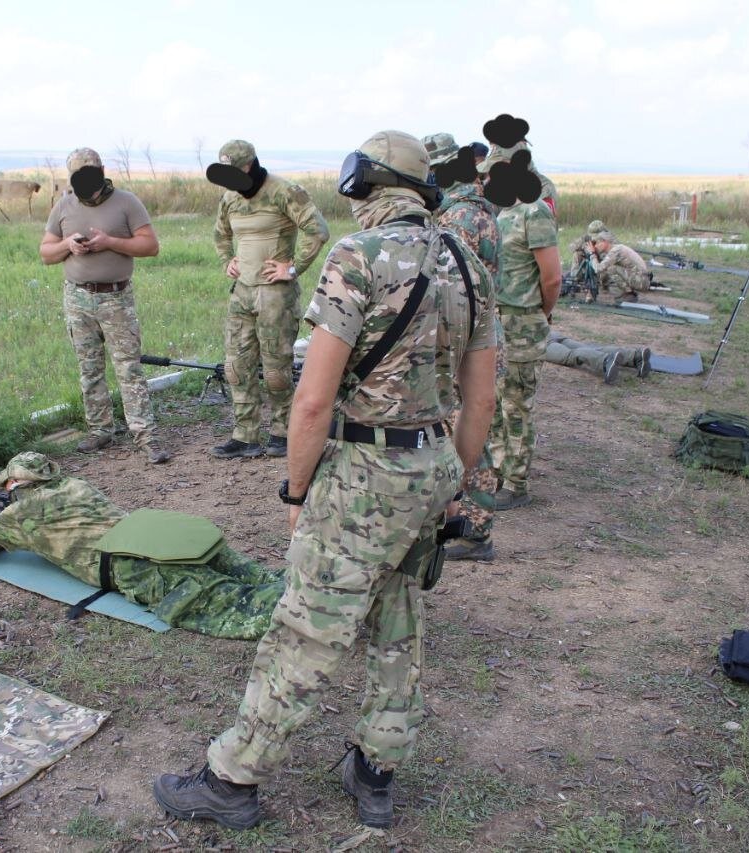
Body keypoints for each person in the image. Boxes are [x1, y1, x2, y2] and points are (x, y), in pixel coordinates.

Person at [152, 130, 497, 830]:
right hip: (431, 463)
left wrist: (297, 489)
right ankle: (375, 769)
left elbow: (312, 399)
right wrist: (454, 480)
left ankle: (232, 777)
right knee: (399, 617)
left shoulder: (357, 256)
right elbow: (481, 398)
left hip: (366, 471)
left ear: (365, 187)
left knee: (306, 626)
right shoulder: (468, 264)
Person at [0, 452, 283, 639]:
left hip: (130, 563)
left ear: (14, 484)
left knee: (239, 606)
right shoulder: (75, 485)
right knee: (247, 572)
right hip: (153, 531)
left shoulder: (19, 512)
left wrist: (5, 532)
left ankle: (319, 606)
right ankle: (307, 583)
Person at [40, 148, 170, 465]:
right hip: (77, 298)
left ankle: (145, 436)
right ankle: (100, 430)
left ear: (101, 170)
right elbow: (46, 252)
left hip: (116, 299)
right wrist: (67, 246)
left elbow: (150, 246)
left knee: (128, 369)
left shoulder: (126, 203)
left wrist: (110, 242)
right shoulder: (64, 205)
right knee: (89, 369)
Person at [206, 140, 329, 459]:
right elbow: (221, 234)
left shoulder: (285, 191)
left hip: (275, 296)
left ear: (249, 166)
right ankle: (245, 435)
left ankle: (283, 431)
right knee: (237, 365)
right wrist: (226, 261)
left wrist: (293, 267)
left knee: (276, 368)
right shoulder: (229, 198)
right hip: (242, 293)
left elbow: (317, 230)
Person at [422, 132, 501, 562]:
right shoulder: (473, 209)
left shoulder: (459, 220)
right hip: (476, 337)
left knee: (470, 433)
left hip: (466, 342)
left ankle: (474, 530)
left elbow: (455, 290)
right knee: (470, 429)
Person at [480, 140, 561, 511]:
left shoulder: (534, 213)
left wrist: (540, 314)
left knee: (517, 405)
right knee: (496, 401)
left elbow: (552, 279)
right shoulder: (501, 212)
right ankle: (497, 469)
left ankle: (517, 481)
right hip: (498, 322)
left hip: (523, 321)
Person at [546, 330, 651, 384]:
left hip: (536, 340)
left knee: (569, 355)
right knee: (593, 350)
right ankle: (635, 356)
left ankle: (605, 361)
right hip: (550, 333)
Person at [591, 230, 652, 303]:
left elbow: (598, 269)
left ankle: (629, 294)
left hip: (642, 281)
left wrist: (592, 254)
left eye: (597, 243)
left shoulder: (616, 251)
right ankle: (629, 293)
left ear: (605, 242)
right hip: (641, 279)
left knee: (611, 269)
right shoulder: (618, 248)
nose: (595, 246)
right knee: (612, 267)